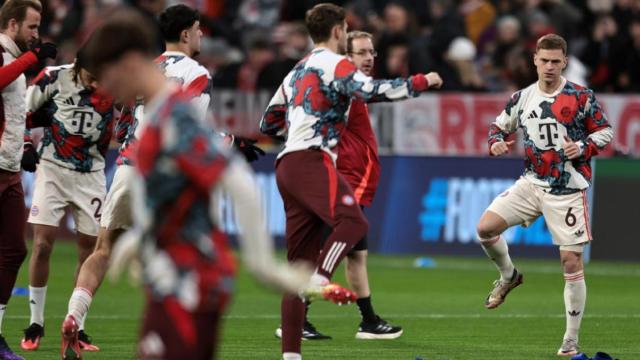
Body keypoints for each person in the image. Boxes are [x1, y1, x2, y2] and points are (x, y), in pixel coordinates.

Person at [65, 9, 346, 360]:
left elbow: (237, 181)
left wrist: (264, 265)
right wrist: (140, 238)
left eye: (107, 75)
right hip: (170, 282)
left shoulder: (175, 118)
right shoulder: (156, 120)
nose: (105, 88)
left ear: (131, 62)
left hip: (191, 284)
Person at [260, 4, 442, 359]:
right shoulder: (336, 64)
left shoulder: (297, 70)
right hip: (313, 160)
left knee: (298, 267)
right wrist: (423, 81)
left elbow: (269, 122)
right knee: (353, 221)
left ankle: (291, 355)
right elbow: (373, 90)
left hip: (286, 165)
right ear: (339, 31)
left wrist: (302, 120)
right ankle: (323, 278)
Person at [476, 34, 613, 357]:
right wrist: (495, 143)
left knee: (570, 260)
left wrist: (581, 147)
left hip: (567, 189)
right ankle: (509, 276)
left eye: (556, 61)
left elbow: (605, 131)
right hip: (531, 183)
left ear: (564, 62)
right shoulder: (522, 97)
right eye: (544, 60)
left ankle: (570, 340)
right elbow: (498, 127)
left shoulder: (581, 97)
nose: (550, 67)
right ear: (535, 60)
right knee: (485, 228)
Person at [275, 31, 402, 341]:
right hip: (340, 178)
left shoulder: (349, 86)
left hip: (352, 176)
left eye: (372, 51)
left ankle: (368, 320)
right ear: (345, 57)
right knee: (330, 246)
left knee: (357, 255)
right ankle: (297, 319)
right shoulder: (340, 85)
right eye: (361, 53)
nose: (369, 58)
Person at [20, 50, 111, 352]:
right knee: (43, 243)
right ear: (79, 67)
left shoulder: (116, 86)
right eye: (92, 77)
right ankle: (35, 322)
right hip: (53, 168)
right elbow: (20, 110)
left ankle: (78, 325)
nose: (98, 84)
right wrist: (24, 144)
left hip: (92, 173)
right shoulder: (53, 77)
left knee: (90, 250)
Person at [0, 1, 57, 359]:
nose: (36, 36)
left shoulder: (17, 67)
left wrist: (27, 137)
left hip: (8, 169)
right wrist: (31, 60)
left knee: (14, 251)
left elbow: (10, 113)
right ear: (13, 23)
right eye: (32, 28)